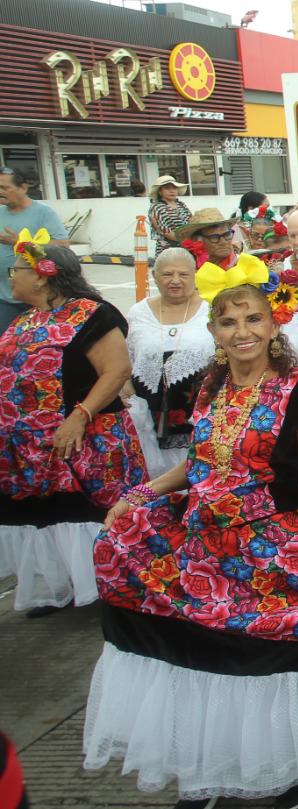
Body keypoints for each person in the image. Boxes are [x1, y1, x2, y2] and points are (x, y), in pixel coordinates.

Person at [84, 274, 298, 809]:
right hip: (204, 536)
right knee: (199, 651)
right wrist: (140, 493)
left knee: (262, 655)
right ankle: (210, 767)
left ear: (272, 324)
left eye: (253, 319)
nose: (242, 332)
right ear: (213, 329)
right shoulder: (212, 384)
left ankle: (287, 766)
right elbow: (198, 464)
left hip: (272, 538)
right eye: (229, 322)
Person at [0, 236, 144, 615]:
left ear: (44, 276)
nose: (12, 276)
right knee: (49, 516)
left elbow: (116, 371)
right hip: (33, 446)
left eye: (19, 269)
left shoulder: (93, 314)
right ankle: (62, 588)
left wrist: (79, 417)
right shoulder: (26, 318)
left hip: (87, 436)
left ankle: (111, 588)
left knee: (89, 513)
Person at [124, 248, 211, 477]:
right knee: (152, 476)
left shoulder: (211, 310)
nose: (175, 281)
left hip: (200, 413)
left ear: (195, 275)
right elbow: (127, 358)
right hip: (147, 414)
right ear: (154, 276)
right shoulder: (138, 313)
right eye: (167, 274)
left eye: (183, 274)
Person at [0, 167, 68, 333]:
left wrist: (20, 242)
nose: (0, 192)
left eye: (4, 187)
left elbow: (62, 245)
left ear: (23, 188)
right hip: (5, 297)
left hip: (37, 297)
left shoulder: (43, 212)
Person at [146, 175, 192, 255]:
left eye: (174, 188)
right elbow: (164, 231)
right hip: (167, 249)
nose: (172, 191)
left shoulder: (181, 205)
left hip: (187, 248)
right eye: (167, 188)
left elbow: (191, 222)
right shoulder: (156, 207)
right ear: (160, 192)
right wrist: (185, 241)